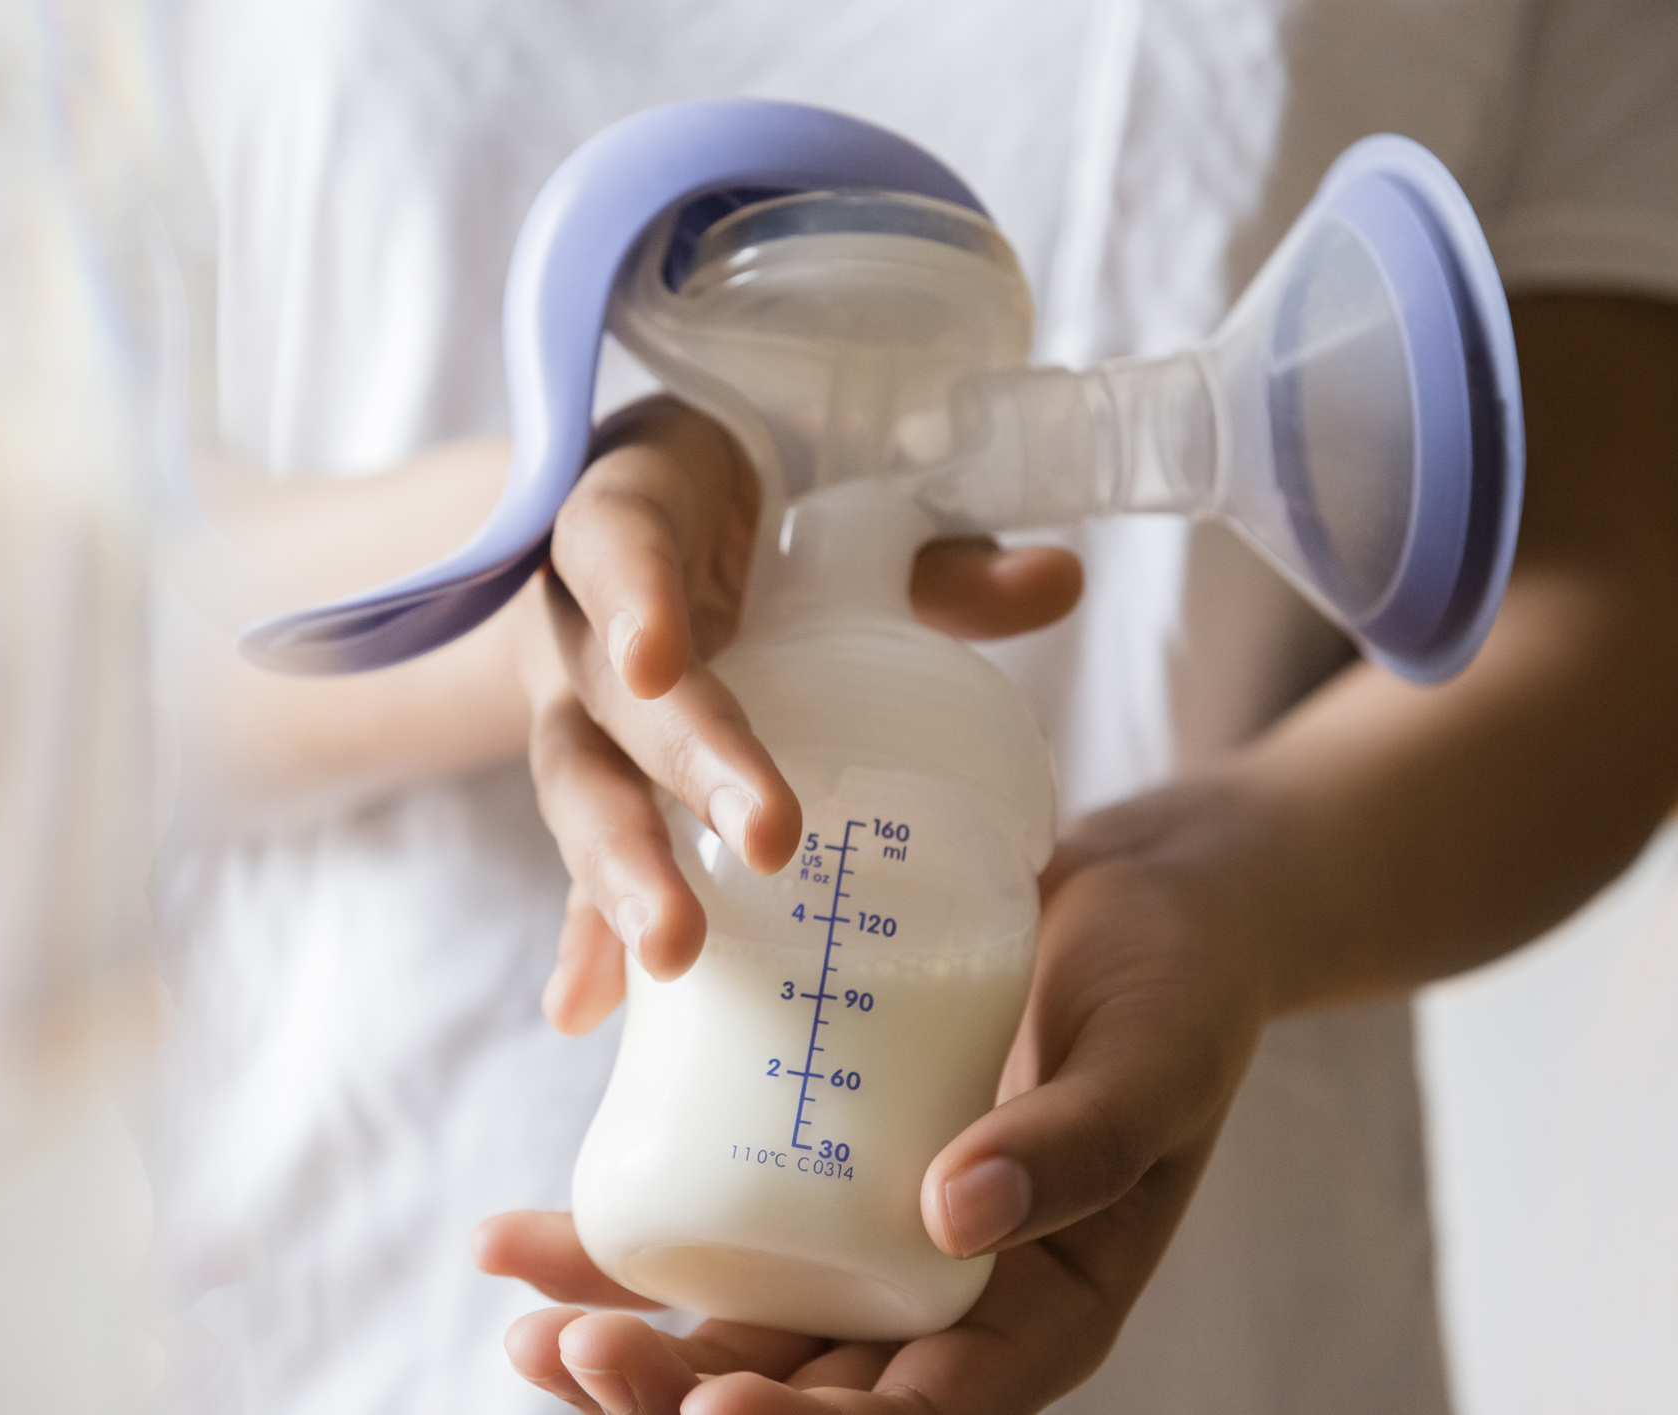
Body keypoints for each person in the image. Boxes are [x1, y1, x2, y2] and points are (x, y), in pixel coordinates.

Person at [150, 2, 1678, 1410]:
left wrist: (1233, 882)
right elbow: (50, 649)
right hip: (377, 1263)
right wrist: (575, 592)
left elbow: (1625, 591)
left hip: (1216, 1296)